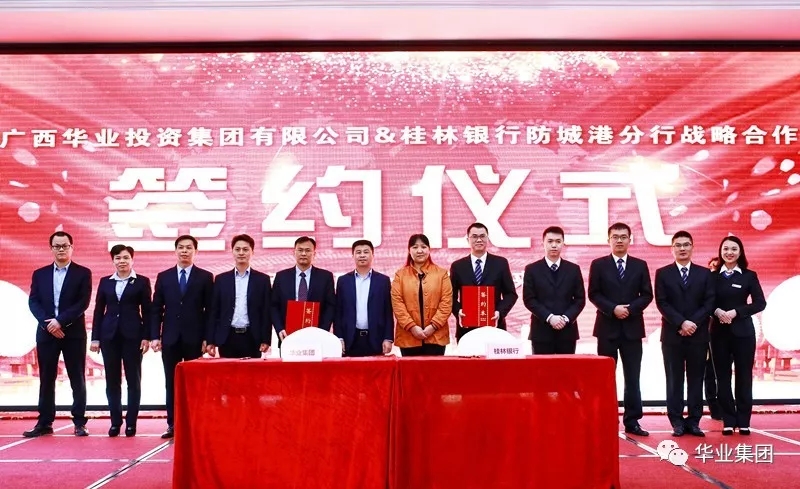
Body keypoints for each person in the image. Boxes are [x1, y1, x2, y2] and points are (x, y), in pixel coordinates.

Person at [24, 231, 92, 438]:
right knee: (46, 378)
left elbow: (83, 302)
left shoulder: (83, 273)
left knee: (77, 377)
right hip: (47, 333)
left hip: (73, 334)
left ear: (72, 247)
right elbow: (33, 301)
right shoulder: (40, 274)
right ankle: (45, 422)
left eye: (65, 245)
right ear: (51, 248)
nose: (61, 249)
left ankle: (79, 422)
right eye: (57, 246)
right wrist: (49, 324)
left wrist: (60, 321)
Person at [588, 223, 653, 437]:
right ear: (608, 240)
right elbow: (594, 294)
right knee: (605, 378)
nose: (619, 240)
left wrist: (630, 309)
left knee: (633, 377)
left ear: (630, 240)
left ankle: (632, 421)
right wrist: (612, 309)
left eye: (623, 237)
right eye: (615, 236)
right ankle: (605, 418)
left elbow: (647, 294)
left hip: (632, 329)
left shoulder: (640, 265)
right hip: (607, 328)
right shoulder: (598, 265)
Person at [150, 235, 214, 439]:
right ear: (175, 250)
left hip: (195, 338)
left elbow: (210, 311)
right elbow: (156, 308)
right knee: (171, 382)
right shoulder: (164, 276)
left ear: (196, 251)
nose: (184, 251)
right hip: (170, 338)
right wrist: (155, 335)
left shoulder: (205, 277)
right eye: (181, 247)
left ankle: (195, 423)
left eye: (189, 248)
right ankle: (173, 424)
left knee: (195, 383)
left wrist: (208, 337)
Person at [655, 230, 715, 437]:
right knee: (674, 380)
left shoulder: (704, 274)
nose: (682, 248)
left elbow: (709, 302)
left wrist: (692, 323)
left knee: (696, 379)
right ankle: (677, 422)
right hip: (672, 335)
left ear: (692, 247)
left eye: (686, 244)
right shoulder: (663, 273)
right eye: (678, 245)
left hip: (698, 335)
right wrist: (681, 322)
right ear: (672, 249)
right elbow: (662, 302)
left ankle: (694, 421)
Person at [90, 244, 153, 437]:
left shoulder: (141, 282)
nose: (122, 261)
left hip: (133, 337)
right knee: (112, 381)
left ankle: (131, 423)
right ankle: (115, 422)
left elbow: (148, 311)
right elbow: (98, 311)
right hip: (109, 337)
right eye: (118, 258)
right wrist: (95, 338)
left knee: (133, 381)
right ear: (113, 260)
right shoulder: (105, 282)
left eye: (126, 257)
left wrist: (147, 336)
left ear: (132, 260)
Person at [711, 236, 766, 436]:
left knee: (744, 377)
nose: (729, 252)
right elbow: (705, 301)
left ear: (740, 252)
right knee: (722, 378)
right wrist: (717, 311)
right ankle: (728, 420)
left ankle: (743, 421)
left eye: (734, 249)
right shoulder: (712, 276)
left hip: (743, 333)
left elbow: (760, 303)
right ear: (720, 252)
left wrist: (737, 312)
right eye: (725, 249)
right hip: (718, 333)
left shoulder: (749, 276)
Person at [450, 222, 517, 342]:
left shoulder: (500, 263)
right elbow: (450, 296)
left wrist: (499, 312)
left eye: (482, 236)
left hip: (495, 327)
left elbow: (510, 294)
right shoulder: (458, 266)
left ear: (487, 238)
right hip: (466, 329)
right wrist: (458, 311)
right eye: (474, 236)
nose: (479, 240)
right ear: (468, 239)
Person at [522, 226, 586, 354]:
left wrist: (565, 318)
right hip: (541, 332)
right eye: (550, 241)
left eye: (558, 241)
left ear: (563, 243)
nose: (554, 245)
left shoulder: (573, 269)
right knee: (542, 367)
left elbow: (580, 299)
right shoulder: (532, 269)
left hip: (567, 331)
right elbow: (529, 299)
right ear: (543, 243)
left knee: (566, 367)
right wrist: (550, 317)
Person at [206, 234, 271, 358]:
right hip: (227, 337)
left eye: (245, 249)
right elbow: (214, 311)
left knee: (252, 371)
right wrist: (210, 340)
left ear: (252, 252)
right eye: (237, 249)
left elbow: (266, 312)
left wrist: (266, 339)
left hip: (252, 337)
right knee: (227, 371)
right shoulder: (221, 279)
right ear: (232, 252)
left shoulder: (262, 280)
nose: (241, 253)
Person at [391, 234, 453, 356]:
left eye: (423, 247)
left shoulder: (442, 274)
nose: (419, 251)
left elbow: (446, 303)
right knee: (410, 369)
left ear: (429, 250)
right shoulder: (400, 275)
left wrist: (433, 326)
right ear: (409, 250)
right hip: (408, 336)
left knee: (435, 369)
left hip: (436, 336)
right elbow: (397, 304)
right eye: (415, 247)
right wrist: (412, 327)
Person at [333, 240, 394, 357]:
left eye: (366, 252)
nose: (362, 255)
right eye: (358, 252)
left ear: (372, 255)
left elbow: (388, 311)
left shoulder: (383, 281)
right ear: (353, 255)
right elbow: (338, 312)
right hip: (350, 338)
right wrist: (339, 337)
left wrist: (388, 338)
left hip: (376, 338)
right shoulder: (343, 281)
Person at [271, 236, 336, 340]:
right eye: (300, 250)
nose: (304, 253)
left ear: (314, 253)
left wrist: (322, 331)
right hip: (287, 335)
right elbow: (274, 305)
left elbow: (330, 306)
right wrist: (279, 328)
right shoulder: (281, 277)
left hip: (316, 335)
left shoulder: (325, 277)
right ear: (294, 252)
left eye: (308, 250)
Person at [705, 257, 722, 421]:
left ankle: (727, 404)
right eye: (710, 267)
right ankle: (714, 407)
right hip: (708, 333)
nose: (713, 270)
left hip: (728, 333)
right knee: (709, 372)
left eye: (716, 267)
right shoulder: (704, 285)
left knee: (724, 372)